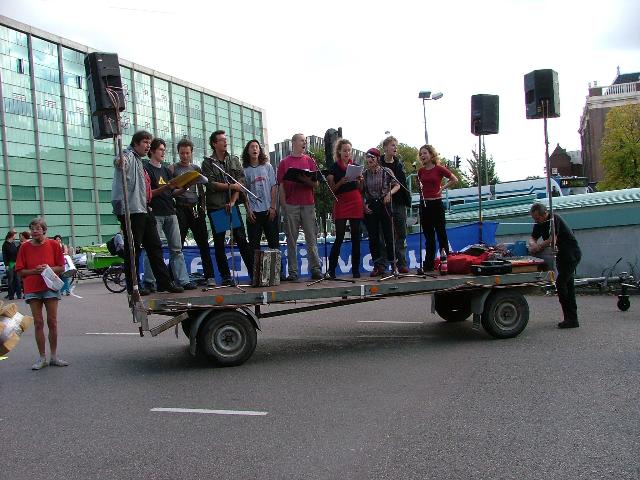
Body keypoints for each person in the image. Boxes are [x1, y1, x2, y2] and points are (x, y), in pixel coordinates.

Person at [111, 130, 183, 296]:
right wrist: (120, 160)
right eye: (145, 143)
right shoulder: (128, 155)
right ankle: (133, 286)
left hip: (143, 209)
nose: (148, 146)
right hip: (131, 211)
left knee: (155, 246)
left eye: (149, 143)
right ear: (135, 143)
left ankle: (164, 282)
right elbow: (120, 161)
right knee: (133, 249)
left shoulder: (139, 161)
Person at [141, 138, 196, 291]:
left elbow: (172, 192)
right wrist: (166, 188)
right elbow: (147, 193)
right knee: (152, 249)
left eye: (164, 150)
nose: (163, 152)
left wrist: (185, 187)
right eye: (160, 150)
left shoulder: (165, 170)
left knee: (177, 249)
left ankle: (183, 280)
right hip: (155, 213)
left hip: (170, 212)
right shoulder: (146, 169)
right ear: (152, 151)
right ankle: (149, 282)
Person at [202, 130, 254, 286]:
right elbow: (211, 184)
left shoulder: (233, 160)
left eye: (226, 139)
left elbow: (241, 182)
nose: (225, 142)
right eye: (222, 140)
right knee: (219, 243)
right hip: (217, 207)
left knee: (241, 239)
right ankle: (225, 276)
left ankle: (253, 272)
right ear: (214, 143)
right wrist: (231, 186)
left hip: (232, 204)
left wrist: (232, 201)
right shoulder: (208, 162)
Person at [15, 218, 68, 370]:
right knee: (38, 323)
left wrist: (48, 268)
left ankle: (54, 356)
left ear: (44, 230)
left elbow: (61, 267)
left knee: (52, 321)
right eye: (32, 229)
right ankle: (42, 357)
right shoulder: (24, 247)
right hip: (32, 288)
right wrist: (34, 271)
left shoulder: (53, 244)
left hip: (50, 287)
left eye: (38, 228)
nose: (34, 231)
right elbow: (20, 271)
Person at [171, 138, 217, 288]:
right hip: (180, 208)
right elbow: (171, 192)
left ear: (191, 153)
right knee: (178, 245)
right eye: (182, 153)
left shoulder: (196, 168)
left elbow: (202, 190)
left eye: (187, 153)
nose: (184, 156)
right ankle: (174, 277)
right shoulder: (172, 169)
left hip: (195, 208)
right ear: (178, 153)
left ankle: (209, 276)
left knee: (203, 243)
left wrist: (202, 207)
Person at [276, 133, 322, 281]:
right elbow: (280, 185)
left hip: (308, 203)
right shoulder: (284, 162)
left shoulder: (310, 160)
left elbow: (316, 184)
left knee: (311, 238)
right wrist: (284, 205)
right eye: (302, 140)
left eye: (305, 141)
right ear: (294, 142)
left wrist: (305, 180)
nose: (304, 143)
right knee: (291, 239)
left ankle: (315, 269)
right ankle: (293, 272)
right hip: (291, 204)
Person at [529, 203, 582, 329]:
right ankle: (571, 318)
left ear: (544, 214)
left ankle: (570, 317)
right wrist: (532, 244)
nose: (536, 221)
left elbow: (553, 239)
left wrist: (539, 246)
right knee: (568, 285)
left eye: (537, 218)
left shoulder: (554, 219)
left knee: (561, 283)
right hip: (560, 256)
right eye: (534, 219)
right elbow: (533, 237)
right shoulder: (539, 223)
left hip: (571, 255)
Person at [416, 145, 458, 271]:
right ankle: (429, 263)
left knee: (441, 233)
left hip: (436, 204)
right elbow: (420, 187)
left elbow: (454, 179)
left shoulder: (439, 169)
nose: (422, 156)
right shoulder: (421, 171)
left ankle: (445, 261)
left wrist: (442, 188)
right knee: (428, 236)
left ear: (431, 155)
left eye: (425, 153)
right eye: (421, 154)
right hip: (425, 204)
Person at [326, 138, 364, 278]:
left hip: (355, 201)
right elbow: (331, 191)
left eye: (349, 150)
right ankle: (331, 270)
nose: (347, 153)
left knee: (355, 236)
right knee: (339, 237)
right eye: (345, 150)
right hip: (341, 201)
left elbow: (360, 189)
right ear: (339, 152)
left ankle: (355, 269)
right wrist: (341, 181)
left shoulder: (356, 166)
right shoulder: (334, 168)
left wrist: (360, 181)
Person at [361, 148, 400, 277]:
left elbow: (397, 185)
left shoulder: (386, 171)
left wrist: (389, 193)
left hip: (384, 204)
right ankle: (378, 266)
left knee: (389, 236)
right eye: (367, 157)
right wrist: (364, 204)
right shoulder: (365, 174)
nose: (369, 160)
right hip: (372, 206)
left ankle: (394, 265)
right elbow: (361, 191)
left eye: (372, 157)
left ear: (378, 159)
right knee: (373, 237)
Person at [379, 136, 412, 273]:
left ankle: (402, 263)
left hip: (398, 202)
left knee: (401, 234)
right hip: (383, 203)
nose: (395, 148)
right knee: (384, 235)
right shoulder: (379, 163)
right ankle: (383, 265)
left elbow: (401, 184)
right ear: (385, 147)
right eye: (392, 145)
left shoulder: (399, 164)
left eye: (396, 146)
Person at [242, 139, 279, 252]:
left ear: (260, 150)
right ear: (247, 151)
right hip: (254, 213)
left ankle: (277, 270)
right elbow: (243, 192)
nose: (254, 149)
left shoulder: (267, 167)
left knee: (274, 245)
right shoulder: (245, 170)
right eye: (252, 147)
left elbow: (274, 186)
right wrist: (248, 210)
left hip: (269, 211)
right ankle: (255, 270)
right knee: (254, 247)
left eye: (257, 147)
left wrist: (273, 207)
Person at [2, 230, 21, 300]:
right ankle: (11, 296)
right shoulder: (5, 244)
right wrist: (6, 265)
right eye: (14, 235)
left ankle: (19, 295)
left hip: (16, 263)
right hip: (10, 263)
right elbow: (4, 256)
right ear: (11, 236)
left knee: (18, 280)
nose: (15, 236)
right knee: (11, 280)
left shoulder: (13, 243)